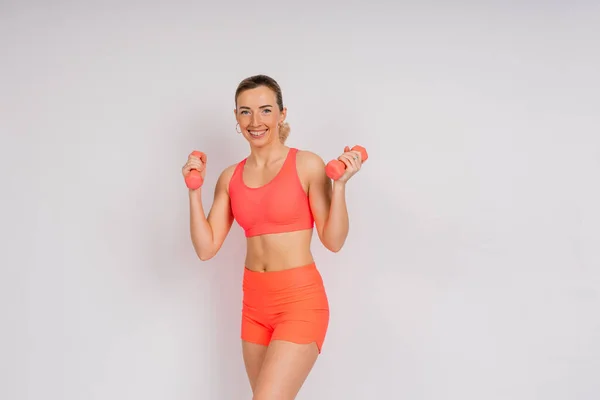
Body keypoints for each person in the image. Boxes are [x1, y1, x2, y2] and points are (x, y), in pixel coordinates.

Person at [181, 74, 364, 399]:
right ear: (236, 118)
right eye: (245, 111)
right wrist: (194, 191)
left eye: (265, 110)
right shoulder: (230, 177)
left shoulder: (306, 165)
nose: (256, 121)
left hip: (300, 302)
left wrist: (341, 186)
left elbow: (334, 241)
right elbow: (206, 248)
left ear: (282, 114)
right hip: (254, 306)